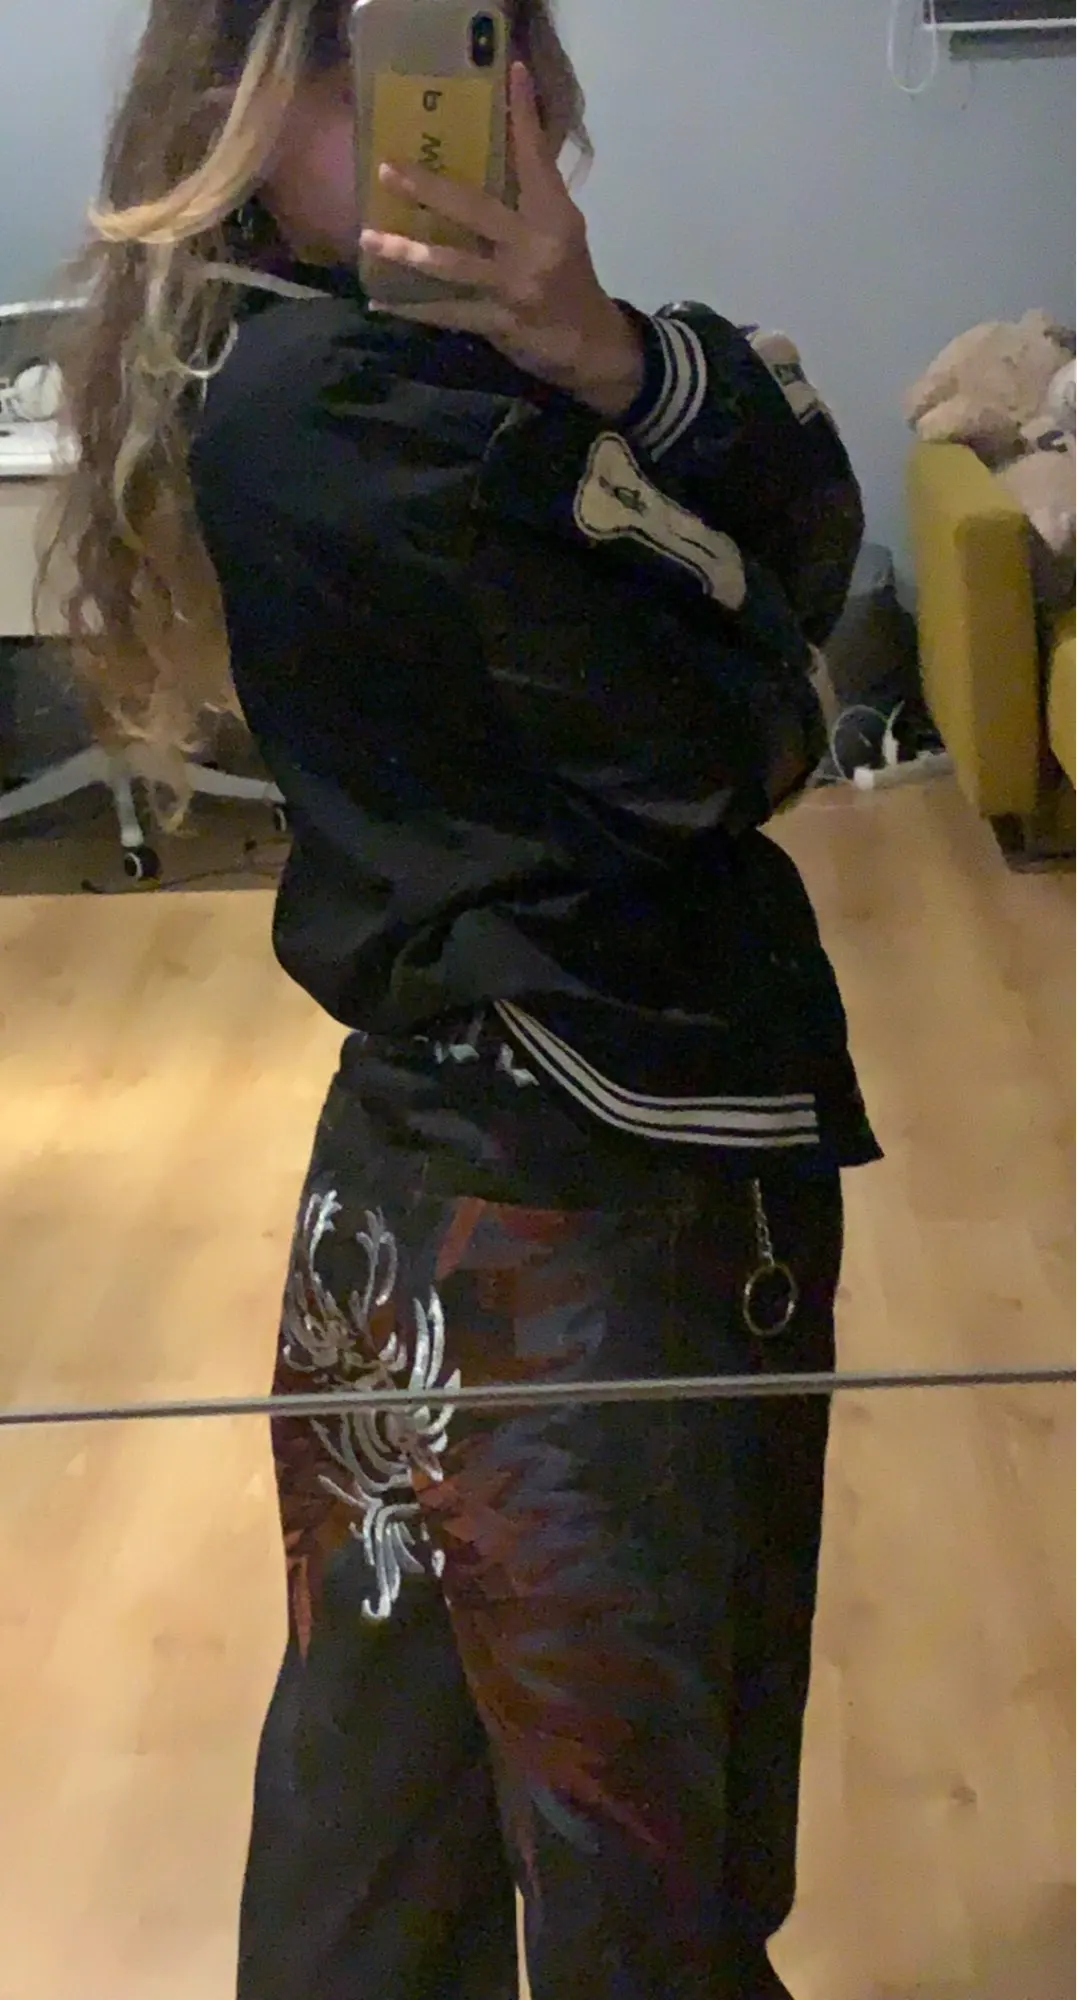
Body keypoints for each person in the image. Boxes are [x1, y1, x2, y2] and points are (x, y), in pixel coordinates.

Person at [52, 2, 880, 1994]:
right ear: (243, 107)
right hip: (600, 1207)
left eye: (468, 29)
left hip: (451, 1175)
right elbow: (735, 726)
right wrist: (743, 593)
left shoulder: (465, 367)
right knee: (640, 1889)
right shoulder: (338, 406)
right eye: (362, 52)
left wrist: (614, 359)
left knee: (378, 1830)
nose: (445, 98)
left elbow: (813, 538)